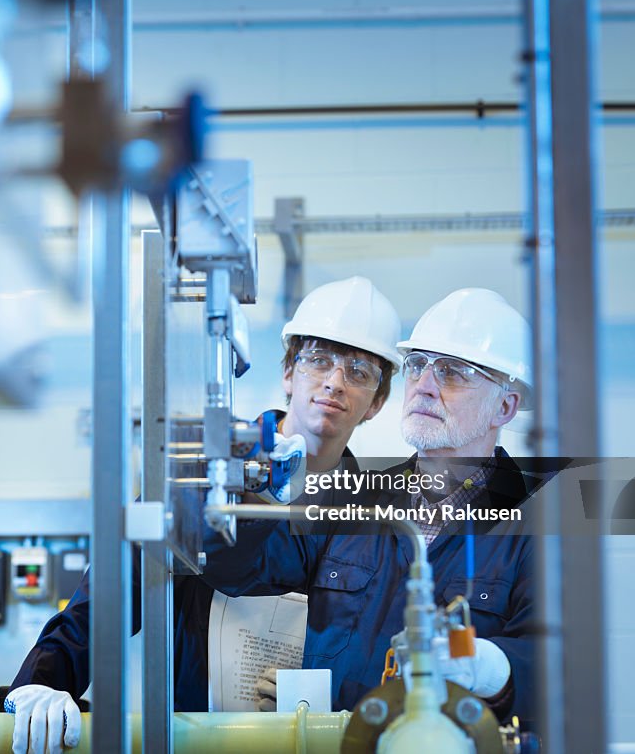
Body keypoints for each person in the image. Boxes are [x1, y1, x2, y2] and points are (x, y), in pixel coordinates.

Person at [6, 276, 402, 754]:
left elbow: (381, 657)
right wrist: (43, 680)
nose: (334, 382)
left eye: (359, 372)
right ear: (288, 374)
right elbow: (110, 594)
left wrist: (335, 698)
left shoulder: (381, 523)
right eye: (318, 360)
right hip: (193, 741)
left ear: (377, 403)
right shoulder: (203, 474)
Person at [206, 288, 539, 723]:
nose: (424, 387)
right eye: (418, 366)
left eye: (454, 372)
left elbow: (554, 667)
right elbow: (236, 571)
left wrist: (489, 666)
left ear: (506, 406)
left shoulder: (536, 529)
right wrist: (241, 483)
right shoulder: (352, 498)